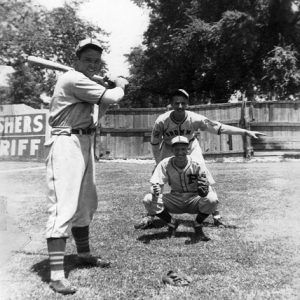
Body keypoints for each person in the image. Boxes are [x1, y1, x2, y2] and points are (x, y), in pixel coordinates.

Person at [44, 38, 128, 295]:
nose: (92, 64)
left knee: (86, 204)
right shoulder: (72, 78)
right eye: (87, 60)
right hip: (65, 142)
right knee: (63, 208)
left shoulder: (86, 81)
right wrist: (120, 85)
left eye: (96, 61)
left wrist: (104, 87)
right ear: (77, 60)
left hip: (84, 141)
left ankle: (84, 254)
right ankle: (57, 276)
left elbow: (99, 111)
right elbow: (114, 97)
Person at [135, 88, 265, 229]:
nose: (180, 106)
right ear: (171, 104)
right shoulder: (161, 121)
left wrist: (245, 131)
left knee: (203, 178)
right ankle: (151, 215)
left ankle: (216, 216)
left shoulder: (194, 118)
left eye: (183, 103)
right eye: (176, 103)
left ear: (187, 104)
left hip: (190, 146)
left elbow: (218, 127)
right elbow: (154, 143)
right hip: (169, 147)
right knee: (157, 179)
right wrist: (158, 162)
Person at [140, 135, 218, 243]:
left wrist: (205, 190)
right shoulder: (165, 164)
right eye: (177, 149)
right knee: (148, 199)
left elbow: (207, 184)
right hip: (175, 199)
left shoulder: (197, 164)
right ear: (172, 150)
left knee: (212, 198)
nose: (180, 152)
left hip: (194, 199)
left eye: (183, 149)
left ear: (188, 149)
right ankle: (172, 222)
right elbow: (156, 183)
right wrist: (155, 190)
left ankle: (198, 224)